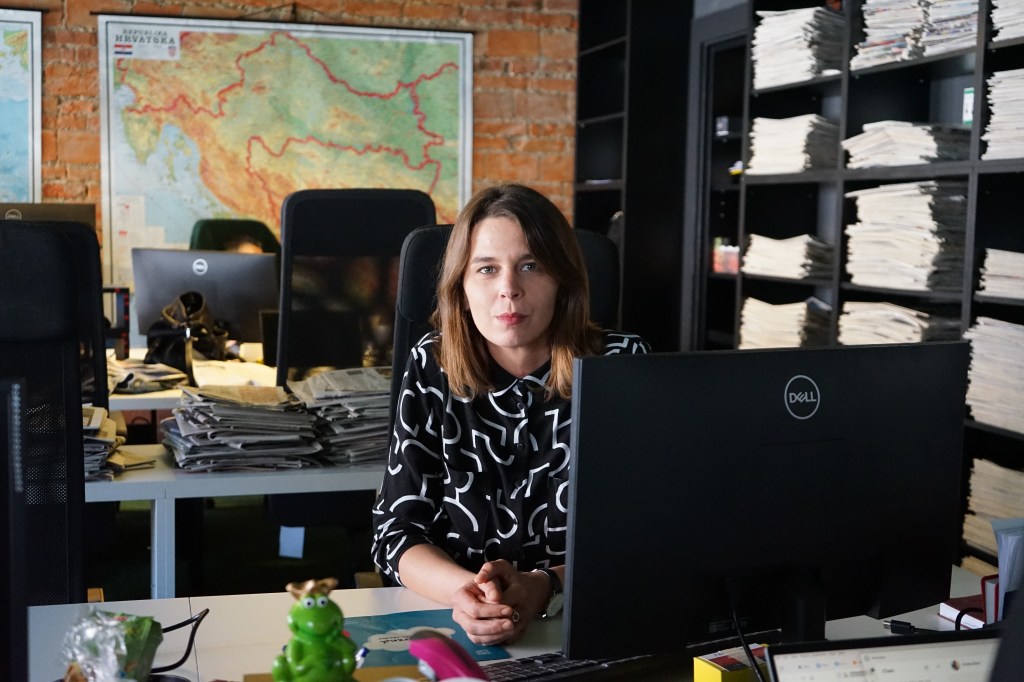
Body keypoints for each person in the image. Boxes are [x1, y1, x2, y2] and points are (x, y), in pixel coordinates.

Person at [370, 183, 649, 645]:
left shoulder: (620, 366)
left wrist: (545, 586)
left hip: (587, 620)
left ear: (561, 279)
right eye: (487, 269)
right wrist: (468, 594)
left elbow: (646, 532)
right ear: (461, 287)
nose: (509, 290)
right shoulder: (432, 365)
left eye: (530, 265)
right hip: (456, 623)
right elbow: (396, 532)